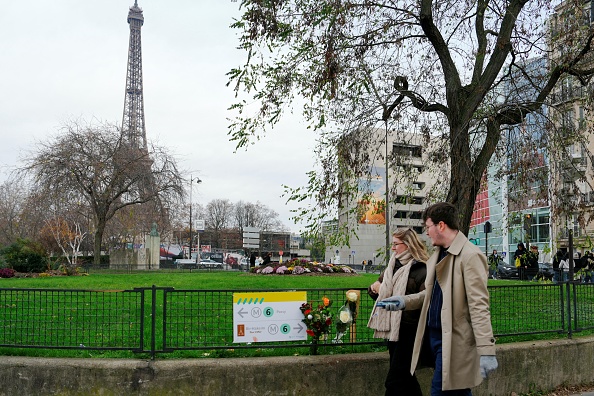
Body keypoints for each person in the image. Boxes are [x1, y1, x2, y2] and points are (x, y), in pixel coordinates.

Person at [380, 202, 498, 395]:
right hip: (434, 337)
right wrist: (404, 301)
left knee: (441, 391)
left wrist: (486, 350)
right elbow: (431, 294)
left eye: (428, 227)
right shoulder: (438, 254)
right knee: (457, 392)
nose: (427, 232)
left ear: (441, 225)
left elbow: (479, 307)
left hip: (453, 341)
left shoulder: (470, 256)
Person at [367, 228, 430, 396]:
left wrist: (385, 291)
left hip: (410, 330)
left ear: (408, 245)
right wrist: (374, 289)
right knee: (407, 378)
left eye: (396, 244)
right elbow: (378, 291)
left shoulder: (421, 269)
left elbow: (424, 301)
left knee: (394, 381)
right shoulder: (392, 266)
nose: (393, 248)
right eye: (392, 244)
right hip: (393, 329)